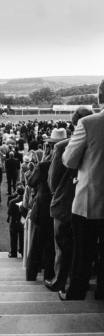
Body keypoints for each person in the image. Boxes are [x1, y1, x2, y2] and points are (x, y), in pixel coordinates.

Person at [59, 80, 104, 301]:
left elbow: (68, 160)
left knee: (83, 252)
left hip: (90, 199)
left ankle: (76, 292)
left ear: (100, 97)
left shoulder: (89, 122)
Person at [46, 106, 93, 292]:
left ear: (74, 123)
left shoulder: (61, 146)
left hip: (65, 201)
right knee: (83, 246)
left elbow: (52, 181)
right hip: (90, 200)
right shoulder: (96, 142)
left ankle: (60, 280)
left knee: (63, 245)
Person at [26, 128, 67, 282]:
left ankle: (31, 275)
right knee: (51, 246)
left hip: (43, 209)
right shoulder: (70, 165)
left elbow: (31, 182)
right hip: (60, 210)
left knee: (37, 245)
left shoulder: (44, 165)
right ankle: (49, 276)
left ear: (49, 147)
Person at [7, 185, 25, 258]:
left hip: (14, 221)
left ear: (16, 192)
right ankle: (23, 251)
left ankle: (13, 252)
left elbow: (9, 213)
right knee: (22, 238)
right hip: (22, 221)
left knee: (13, 238)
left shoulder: (12, 201)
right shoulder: (25, 201)